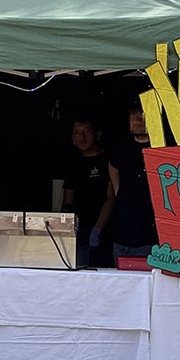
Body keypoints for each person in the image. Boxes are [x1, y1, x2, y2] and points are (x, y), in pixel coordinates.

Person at [109, 100, 159, 264]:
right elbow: (112, 165)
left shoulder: (161, 146)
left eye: (143, 114)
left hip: (151, 234)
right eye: (134, 115)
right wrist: (118, 190)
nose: (138, 119)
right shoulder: (121, 146)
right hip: (122, 233)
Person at [62, 114, 114, 268]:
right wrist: (63, 228)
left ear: (98, 135)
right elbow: (67, 201)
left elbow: (111, 198)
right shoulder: (72, 162)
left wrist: (98, 229)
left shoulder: (108, 160)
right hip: (79, 231)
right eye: (77, 133)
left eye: (87, 132)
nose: (82, 137)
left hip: (104, 230)